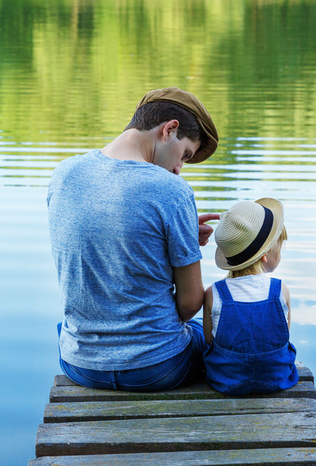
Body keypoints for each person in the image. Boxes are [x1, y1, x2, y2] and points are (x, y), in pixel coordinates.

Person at [47, 87, 219, 391]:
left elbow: (101, 241)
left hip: (81, 365)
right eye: (185, 155)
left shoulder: (64, 174)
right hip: (156, 369)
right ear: (169, 129)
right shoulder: (172, 191)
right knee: (212, 332)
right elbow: (190, 304)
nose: (179, 169)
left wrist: (180, 234)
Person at [202, 198, 299, 395]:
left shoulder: (214, 293)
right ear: (264, 255)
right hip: (277, 378)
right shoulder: (281, 290)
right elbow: (283, 339)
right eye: (278, 246)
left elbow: (209, 341)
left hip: (226, 381)